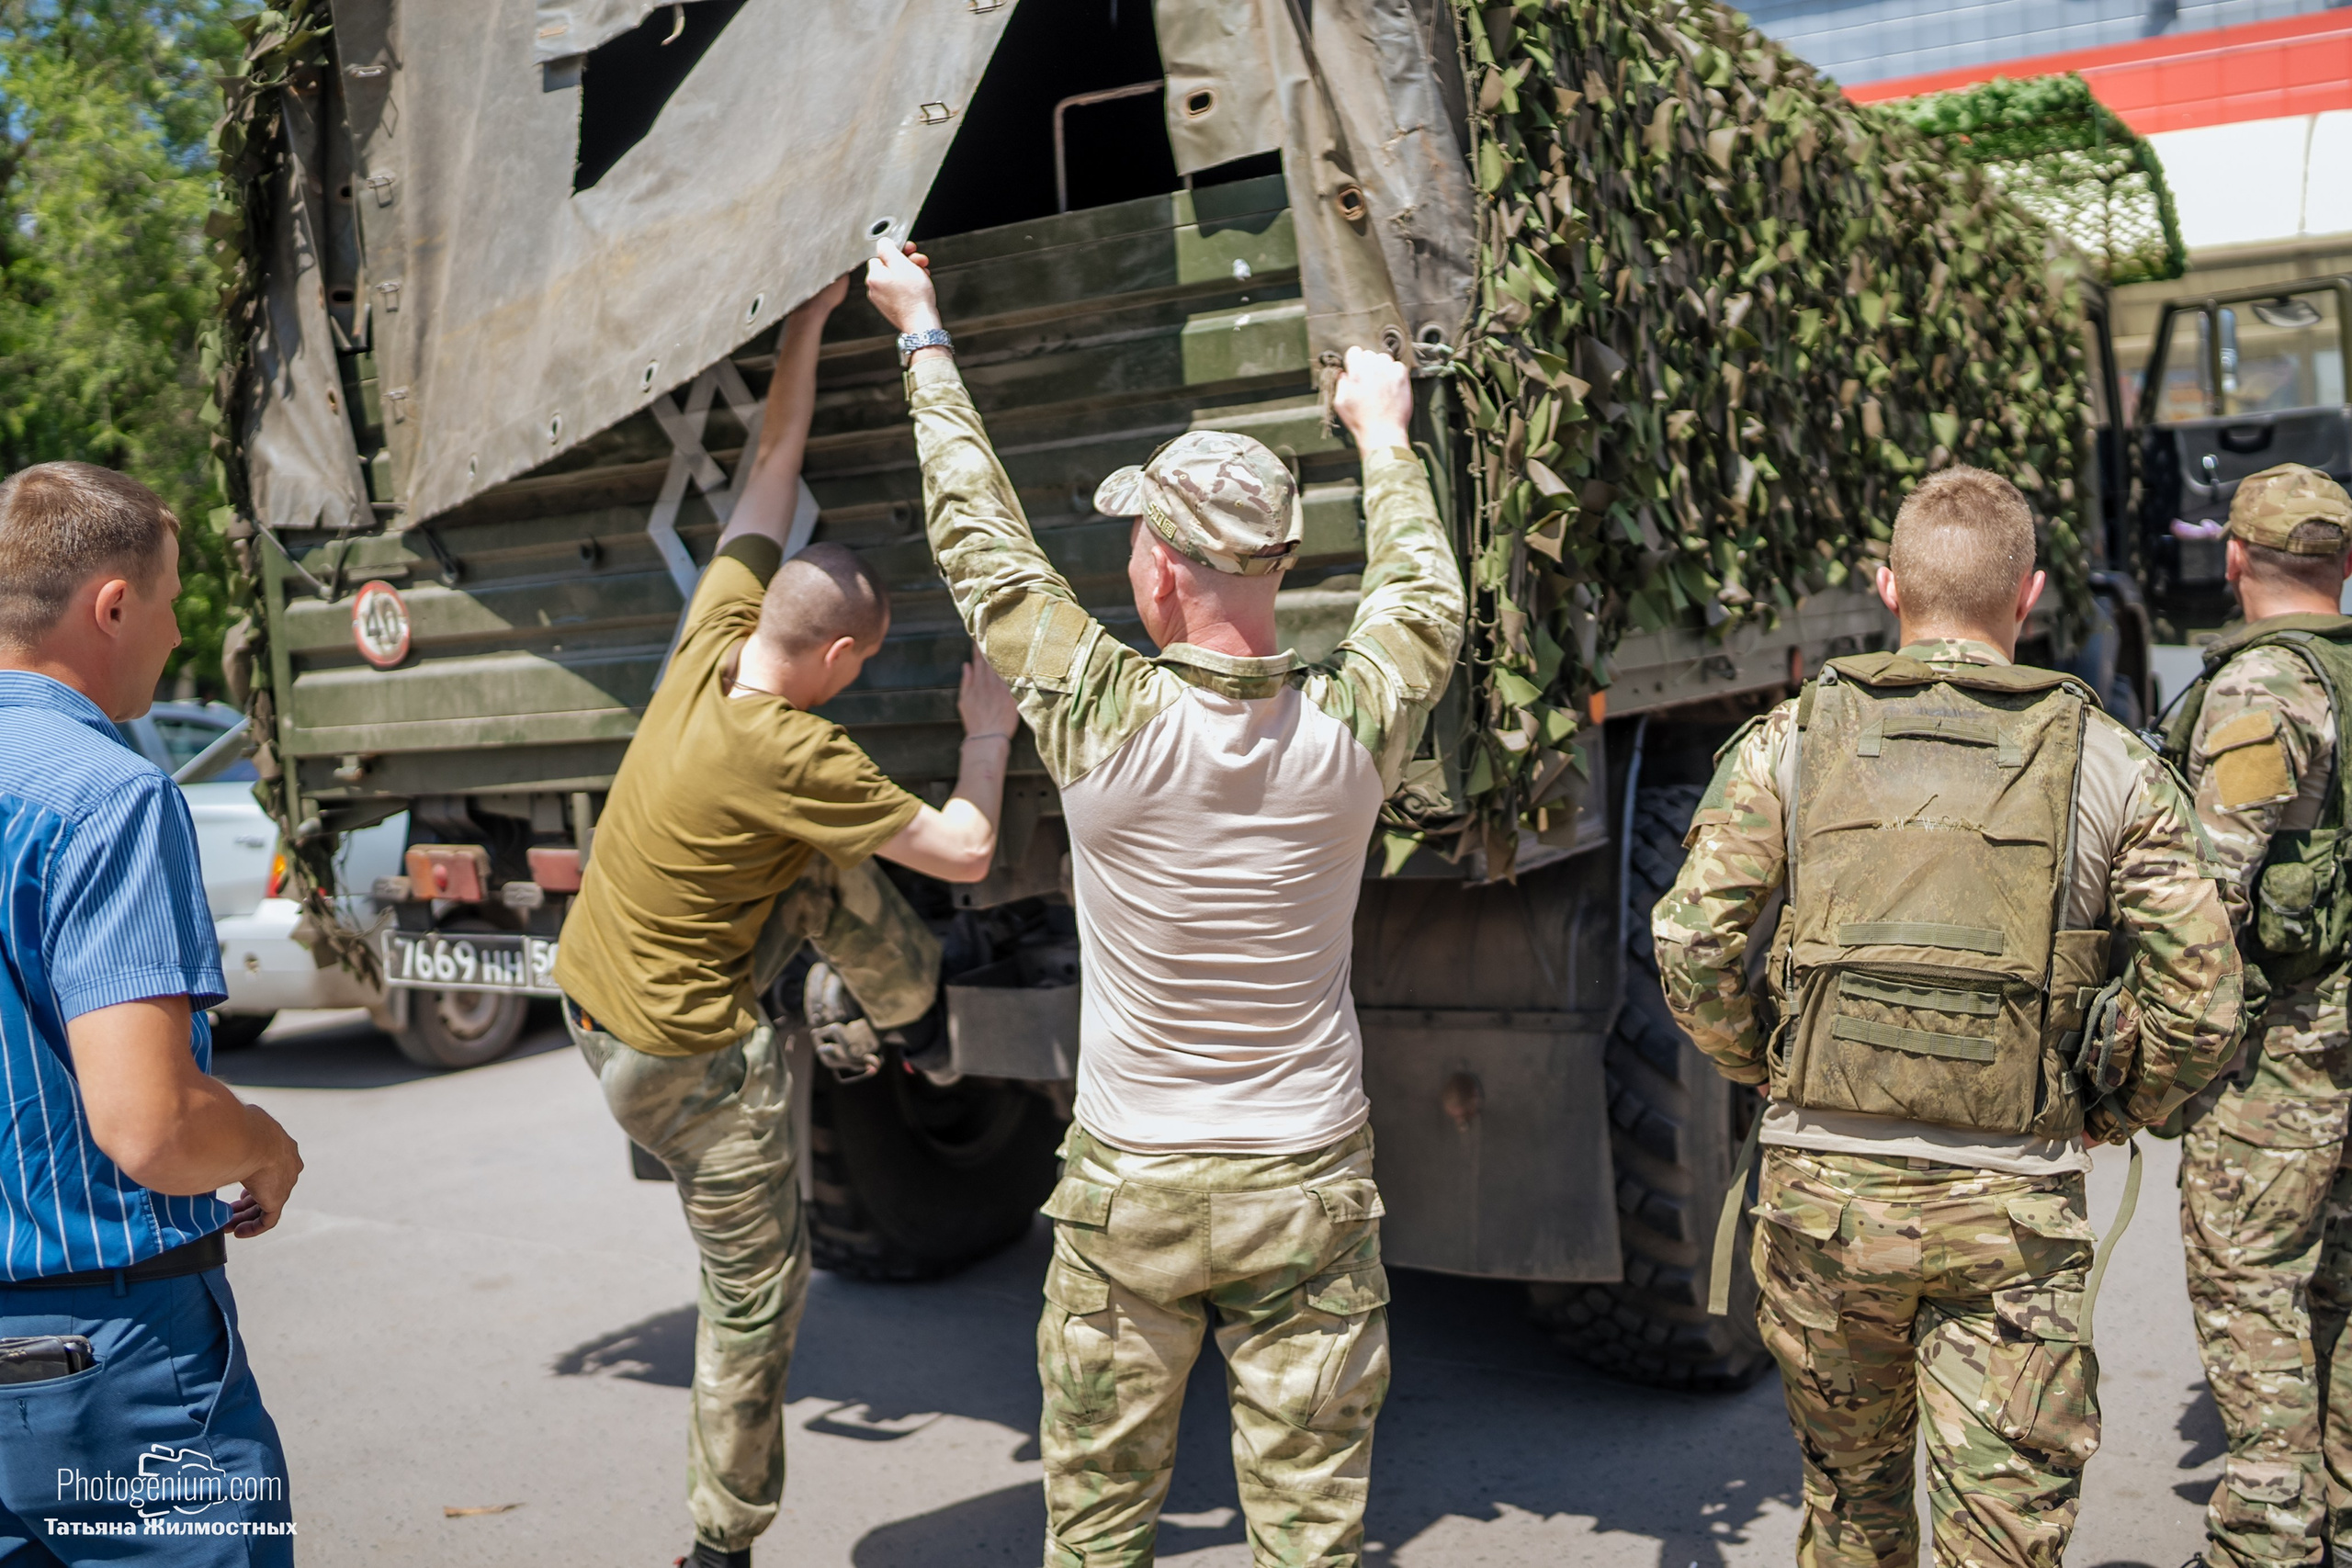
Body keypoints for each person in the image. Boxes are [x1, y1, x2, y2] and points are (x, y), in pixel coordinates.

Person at [864, 237, 1466, 1568]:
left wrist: (920, 329)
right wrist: (1384, 429)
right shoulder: (1352, 725)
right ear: (1280, 566)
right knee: (1311, 1538)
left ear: (1160, 572)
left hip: (1130, 1184)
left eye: (1139, 538)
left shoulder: (1103, 713)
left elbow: (979, 538)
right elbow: (1423, 591)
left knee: (1098, 1534)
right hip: (1309, 1179)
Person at [1653, 463, 2245, 1568]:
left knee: (1849, 1515)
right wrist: (2105, 1109)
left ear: (1887, 585)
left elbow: (1690, 944)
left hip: (1823, 1207)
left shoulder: (1788, 743)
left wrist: (1767, 1063)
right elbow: (2202, 999)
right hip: (2013, 1212)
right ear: (2025, 597)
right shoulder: (2110, 761)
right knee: (2004, 1540)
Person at [550, 277, 1020, 1568]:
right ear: (842, 657)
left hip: (589, 1003)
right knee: (753, 1299)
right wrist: (985, 738)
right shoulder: (799, 752)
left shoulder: (713, 634)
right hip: (687, 1068)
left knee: (815, 875)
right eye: (860, 663)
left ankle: (916, 1012)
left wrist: (808, 322)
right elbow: (969, 850)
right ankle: (721, 1544)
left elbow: (773, 462)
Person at [0, 462, 302, 1561]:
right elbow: (154, 1126)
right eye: (171, 601)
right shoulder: (106, 793)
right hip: (102, 1357)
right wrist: (267, 1146)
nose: (177, 633)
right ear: (112, 607)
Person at [2159, 464, 2352, 1568]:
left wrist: (2156, 1062)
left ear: (2233, 560)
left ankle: (2270, 1539)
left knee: (2252, 1284)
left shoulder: (2260, 689)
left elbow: (2207, 903)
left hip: (2289, 1052)